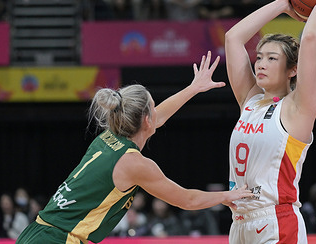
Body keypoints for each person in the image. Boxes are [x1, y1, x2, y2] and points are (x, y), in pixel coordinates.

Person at [16, 52, 252, 244]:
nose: (156, 112)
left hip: (36, 232)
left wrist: (193, 88)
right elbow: (186, 200)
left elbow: (158, 118)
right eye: (153, 107)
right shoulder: (134, 164)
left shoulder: (108, 137)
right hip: (59, 240)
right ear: (146, 121)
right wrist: (226, 196)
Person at [224, 0, 316, 244]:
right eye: (259, 57)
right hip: (239, 223)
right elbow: (233, 37)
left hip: (276, 222)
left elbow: (310, 41)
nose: (261, 64)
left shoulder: (297, 108)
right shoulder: (250, 99)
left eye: (271, 58)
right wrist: (283, 2)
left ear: (292, 70)